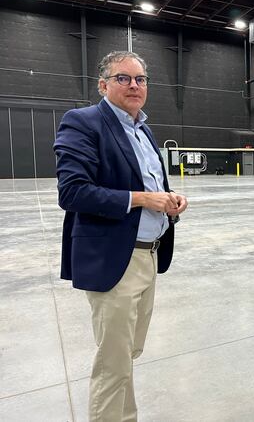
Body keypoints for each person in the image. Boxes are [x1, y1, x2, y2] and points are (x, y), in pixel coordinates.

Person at [54, 50, 188, 422]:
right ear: (103, 84)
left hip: (149, 255)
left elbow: (152, 184)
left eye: (140, 79)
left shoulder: (143, 129)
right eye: (123, 78)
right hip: (116, 259)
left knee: (128, 353)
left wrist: (171, 198)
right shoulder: (83, 122)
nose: (134, 85)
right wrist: (144, 199)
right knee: (113, 362)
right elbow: (72, 192)